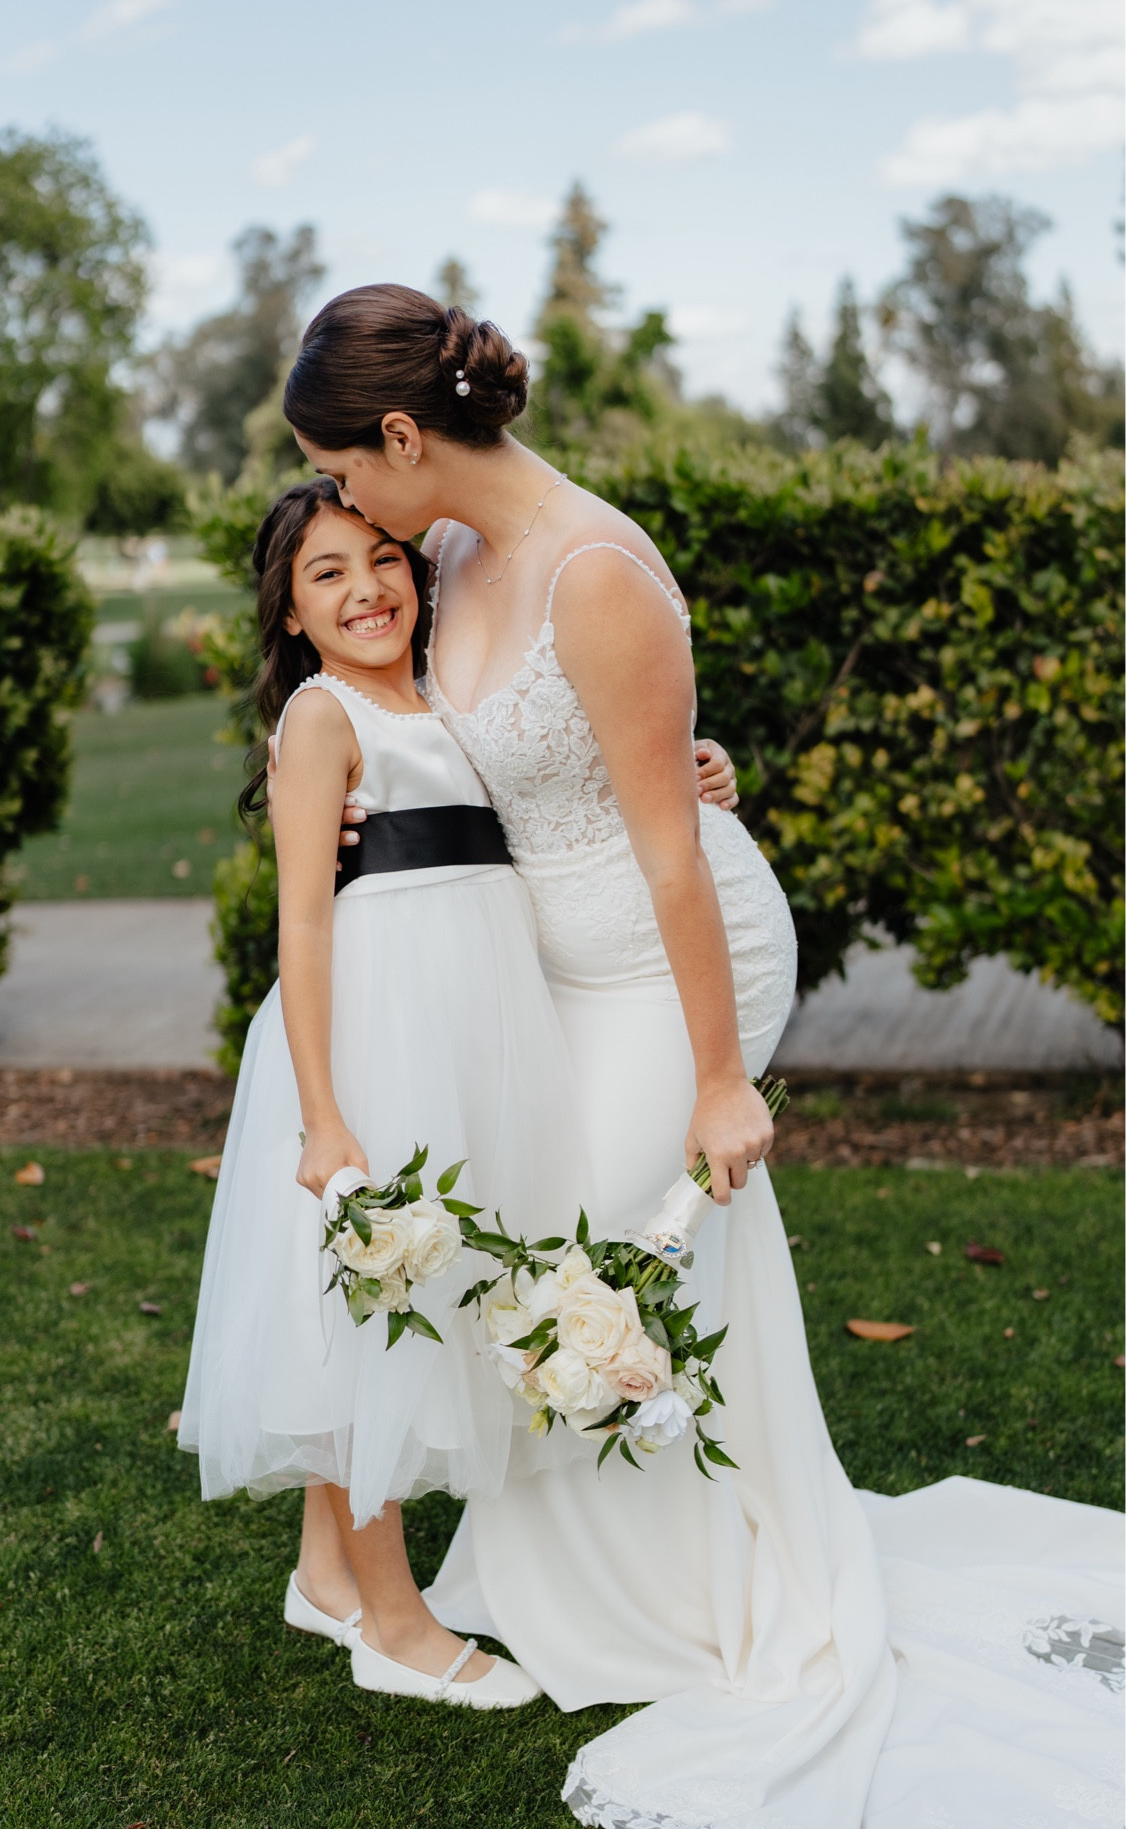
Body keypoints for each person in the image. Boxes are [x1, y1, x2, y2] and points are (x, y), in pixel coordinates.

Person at [279, 284, 1123, 1827]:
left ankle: (689, 1587)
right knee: (536, 1252)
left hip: (674, 966)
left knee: (603, 1257)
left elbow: (671, 851)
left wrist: (721, 1080)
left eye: (342, 468)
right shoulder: (447, 551)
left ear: (402, 434)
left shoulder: (599, 569)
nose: (340, 502)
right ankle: (563, 1578)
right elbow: (464, 735)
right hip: (548, 964)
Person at [179, 475, 574, 1708]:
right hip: (373, 1033)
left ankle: (324, 1571)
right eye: (327, 573)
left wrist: (698, 764)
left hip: (471, 1020)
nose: (366, 589)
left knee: (413, 1287)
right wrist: (323, 1112)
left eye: (382, 557)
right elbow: (302, 917)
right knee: (381, 1304)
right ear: (291, 613)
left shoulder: (449, 694)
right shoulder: (322, 717)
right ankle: (395, 1622)